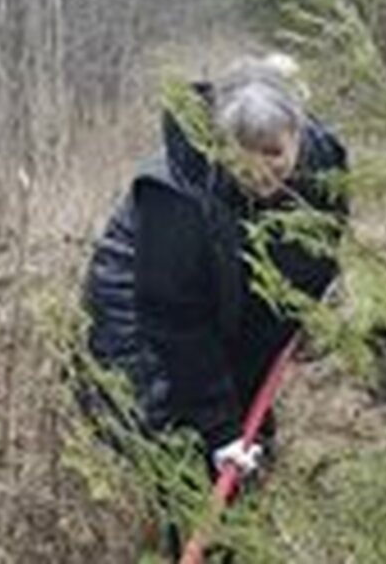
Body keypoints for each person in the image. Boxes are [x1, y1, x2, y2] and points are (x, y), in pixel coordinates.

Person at [81, 55, 348, 485]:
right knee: (185, 464)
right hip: (141, 325)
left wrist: (307, 307)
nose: (262, 174)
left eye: (274, 154)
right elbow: (176, 321)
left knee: (250, 453)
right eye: (244, 158)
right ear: (221, 144)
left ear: (297, 132)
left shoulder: (326, 162)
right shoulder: (174, 197)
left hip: (226, 305)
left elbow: (318, 244)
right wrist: (219, 429)